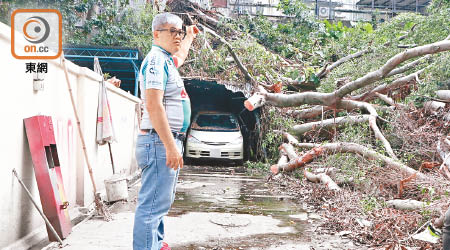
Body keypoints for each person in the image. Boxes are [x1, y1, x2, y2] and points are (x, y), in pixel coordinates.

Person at [133, 13, 197, 250]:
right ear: (156, 33)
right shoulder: (155, 61)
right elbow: (153, 104)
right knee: (151, 207)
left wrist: (189, 37)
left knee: (160, 202)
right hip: (159, 142)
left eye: (180, 32)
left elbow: (180, 56)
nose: (177, 36)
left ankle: (157, 244)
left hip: (164, 142)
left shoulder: (166, 60)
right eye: (173, 31)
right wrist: (170, 146)